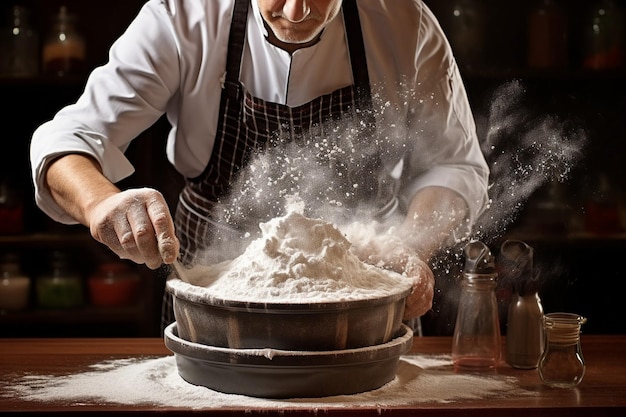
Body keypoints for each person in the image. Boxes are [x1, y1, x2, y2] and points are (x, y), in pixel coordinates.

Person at [30, 0, 489, 329]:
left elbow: (454, 166)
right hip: (214, 293)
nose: (295, 11)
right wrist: (99, 204)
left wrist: (411, 246)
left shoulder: (404, 21)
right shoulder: (182, 16)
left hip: (365, 292)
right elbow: (68, 139)